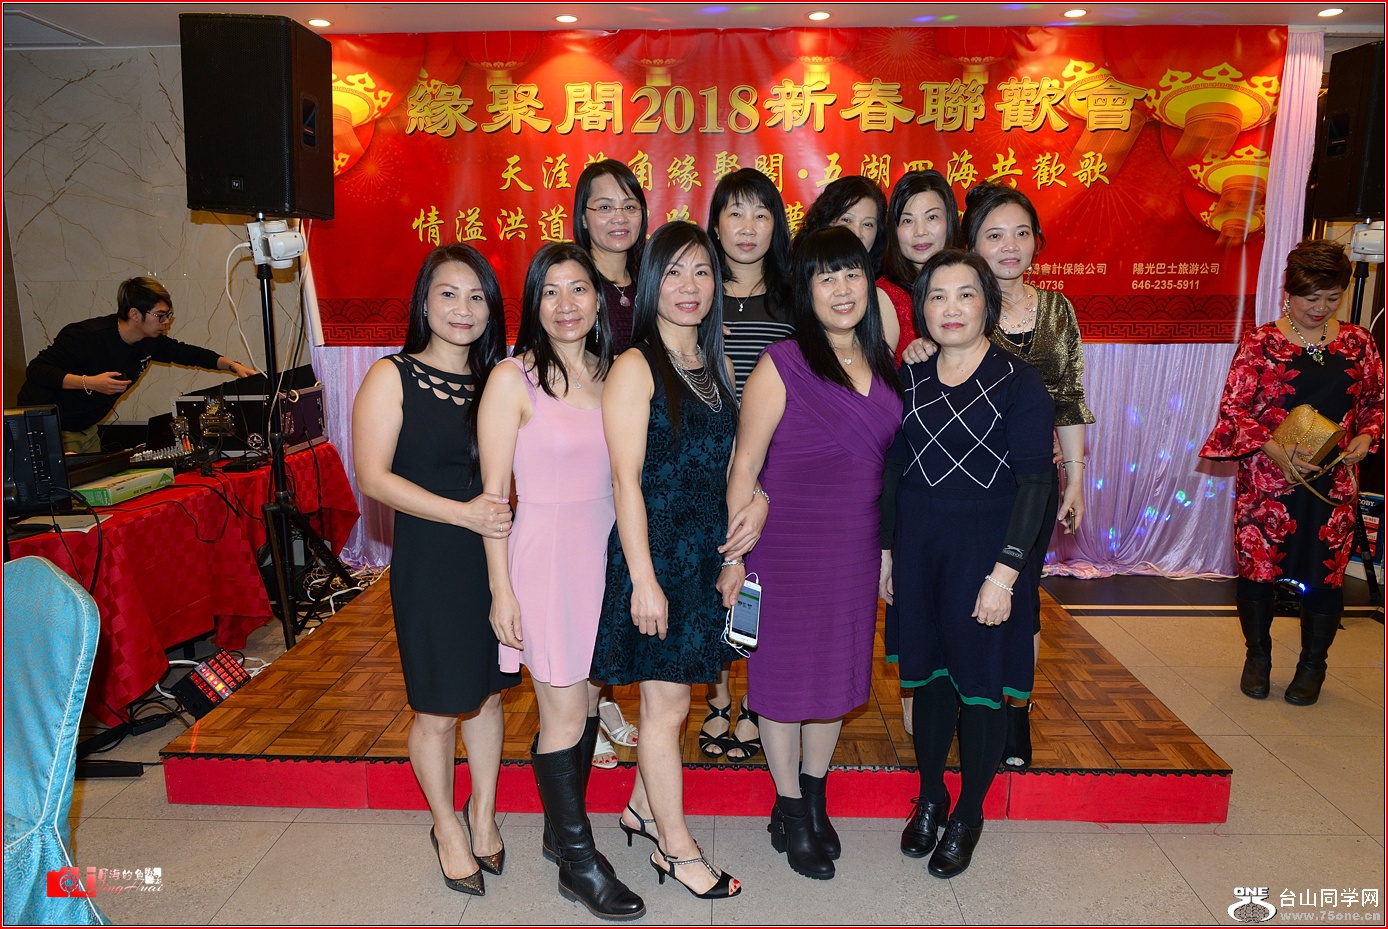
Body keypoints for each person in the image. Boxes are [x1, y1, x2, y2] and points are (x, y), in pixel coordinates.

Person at [589, 221, 763, 900]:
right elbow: (625, 481)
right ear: (651, 283)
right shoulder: (635, 366)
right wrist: (642, 580)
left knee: (680, 699)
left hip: (703, 555)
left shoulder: (718, 366)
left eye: (701, 272)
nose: (689, 286)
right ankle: (676, 847)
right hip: (656, 554)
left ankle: (640, 808)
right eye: (674, 272)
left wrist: (739, 549)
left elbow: (733, 469)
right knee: (664, 708)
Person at [726, 226, 902, 880]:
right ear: (806, 289)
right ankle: (792, 809)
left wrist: (887, 549)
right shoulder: (782, 363)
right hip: (784, 547)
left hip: (854, 547)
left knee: (834, 681)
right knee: (781, 682)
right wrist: (733, 557)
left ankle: (815, 795)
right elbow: (744, 465)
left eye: (851, 273)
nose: (841, 288)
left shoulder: (885, 362)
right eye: (826, 277)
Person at [477, 242, 644, 919]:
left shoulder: (617, 372)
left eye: (579, 289)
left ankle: (557, 829)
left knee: (590, 697)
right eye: (551, 291)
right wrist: (501, 590)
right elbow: (494, 500)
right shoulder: (511, 379)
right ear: (533, 304)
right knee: (565, 711)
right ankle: (579, 861)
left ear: (599, 300)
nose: (566, 304)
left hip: (606, 555)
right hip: (546, 560)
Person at [352, 245, 520, 897]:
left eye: (477, 296)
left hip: (496, 558)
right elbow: (373, 477)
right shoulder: (392, 376)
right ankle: (446, 824)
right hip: (432, 561)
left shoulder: (500, 381)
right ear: (424, 302)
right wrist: (463, 514)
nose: (463, 308)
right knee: (439, 707)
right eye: (448, 293)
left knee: (488, 692)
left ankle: (483, 813)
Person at [882, 249, 1054, 878]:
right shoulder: (909, 377)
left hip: (987, 558)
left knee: (982, 690)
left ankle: (969, 815)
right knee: (928, 683)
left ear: (989, 303)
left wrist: (1005, 574)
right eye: (937, 296)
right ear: (921, 308)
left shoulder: (1019, 382)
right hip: (920, 552)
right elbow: (894, 466)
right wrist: (887, 552)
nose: (950, 308)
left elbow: (1036, 483)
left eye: (965, 294)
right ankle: (931, 796)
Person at [919, 181, 1097, 768]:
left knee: (1018, 596)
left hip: (1031, 483)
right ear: (972, 244)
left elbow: (1069, 397)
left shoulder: (1057, 309)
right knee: (961, 599)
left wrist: (1076, 477)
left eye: (1022, 233)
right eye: (995, 235)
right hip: (966, 485)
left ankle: (1013, 710)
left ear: (1037, 241)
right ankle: (966, 705)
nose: (1010, 246)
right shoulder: (958, 304)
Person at [1200, 239, 1384, 706]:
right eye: (1310, 298)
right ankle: (1257, 658)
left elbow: (1374, 403)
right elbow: (1235, 411)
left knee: (1326, 575)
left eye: (1332, 298)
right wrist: (1276, 450)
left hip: (1332, 483)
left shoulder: (1359, 342)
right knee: (1259, 571)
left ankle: (1312, 666)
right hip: (1269, 481)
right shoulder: (1261, 342)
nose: (1320, 308)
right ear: (1289, 292)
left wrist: (1367, 437)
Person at [697, 167, 795, 763]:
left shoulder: (793, 295)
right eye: (735, 213)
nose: (748, 227)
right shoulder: (696, 290)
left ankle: (758, 702)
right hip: (708, 462)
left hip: (775, 464)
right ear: (715, 224)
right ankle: (717, 699)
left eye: (761, 214)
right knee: (715, 580)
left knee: (763, 585)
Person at [17, 276, 257, 453]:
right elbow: (36, 370)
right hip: (49, 428)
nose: (166, 322)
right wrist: (89, 382)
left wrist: (232, 366)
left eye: (168, 315)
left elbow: (186, 353)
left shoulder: (149, 341)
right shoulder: (86, 336)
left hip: (87, 428)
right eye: (160, 316)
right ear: (134, 314)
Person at [792, 175, 900, 354]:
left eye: (868, 224)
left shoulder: (885, 290)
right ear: (825, 221)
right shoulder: (795, 280)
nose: (857, 232)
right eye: (847, 220)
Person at [879, 170, 959, 364]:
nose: (920, 231)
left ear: (950, 221)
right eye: (908, 220)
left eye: (931, 217)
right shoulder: (885, 296)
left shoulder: (973, 281)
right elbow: (877, 376)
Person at [574, 159, 649, 357]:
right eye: (605, 208)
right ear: (583, 218)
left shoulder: (652, 283)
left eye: (629, 207)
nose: (620, 218)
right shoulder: (574, 285)